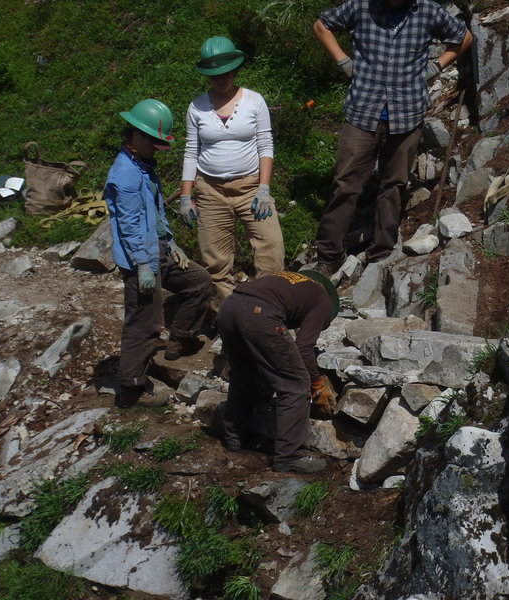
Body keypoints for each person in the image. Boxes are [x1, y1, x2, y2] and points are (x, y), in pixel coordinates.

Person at [313, 0, 473, 275]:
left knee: (394, 183)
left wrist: (436, 66)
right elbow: (321, 25)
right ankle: (329, 256)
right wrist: (343, 62)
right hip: (363, 110)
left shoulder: (426, 10)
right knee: (345, 184)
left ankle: (381, 250)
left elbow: (464, 37)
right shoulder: (361, 6)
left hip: (407, 112)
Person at [105, 99, 213, 408]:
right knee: (144, 324)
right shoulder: (125, 174)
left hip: (158, 249)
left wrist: (170, 241)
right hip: (141, 258)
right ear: (137, 136)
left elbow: (153, 212)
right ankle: (131, 389)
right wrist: (142, 265)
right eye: (154, 141)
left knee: (198, 280)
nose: (156, 148)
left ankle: (180, 337)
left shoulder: (143, 166)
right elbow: (129, 225)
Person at [180, 36, 285, 314]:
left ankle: (267, 312)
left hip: (251, 187)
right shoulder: (197, 107)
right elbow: (191, 151)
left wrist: (264, 188)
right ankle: (227, 319)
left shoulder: (254, 100)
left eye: (224, 72)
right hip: (210, 190)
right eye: (213, 73)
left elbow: (265, 144)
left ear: (234, 69)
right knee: (215, 262)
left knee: (271, 249)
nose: (220, 78)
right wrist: (187, 195)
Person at [216, 270, 339, 473]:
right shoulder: (323, 300)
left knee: (243, 374)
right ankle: (289, 456)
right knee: (295, 385)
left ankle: (234, 437)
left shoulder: (288, 280)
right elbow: (304, 348)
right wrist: (316, 383)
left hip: (228, 308)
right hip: (258, 314)